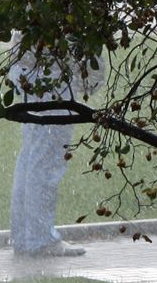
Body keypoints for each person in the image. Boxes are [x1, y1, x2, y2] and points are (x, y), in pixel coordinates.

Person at [8, 44, 102, 257]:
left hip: (31, 71)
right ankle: (40, 240)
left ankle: (25, 237)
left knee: (31, 157)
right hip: (51, 77)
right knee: (45, 161)